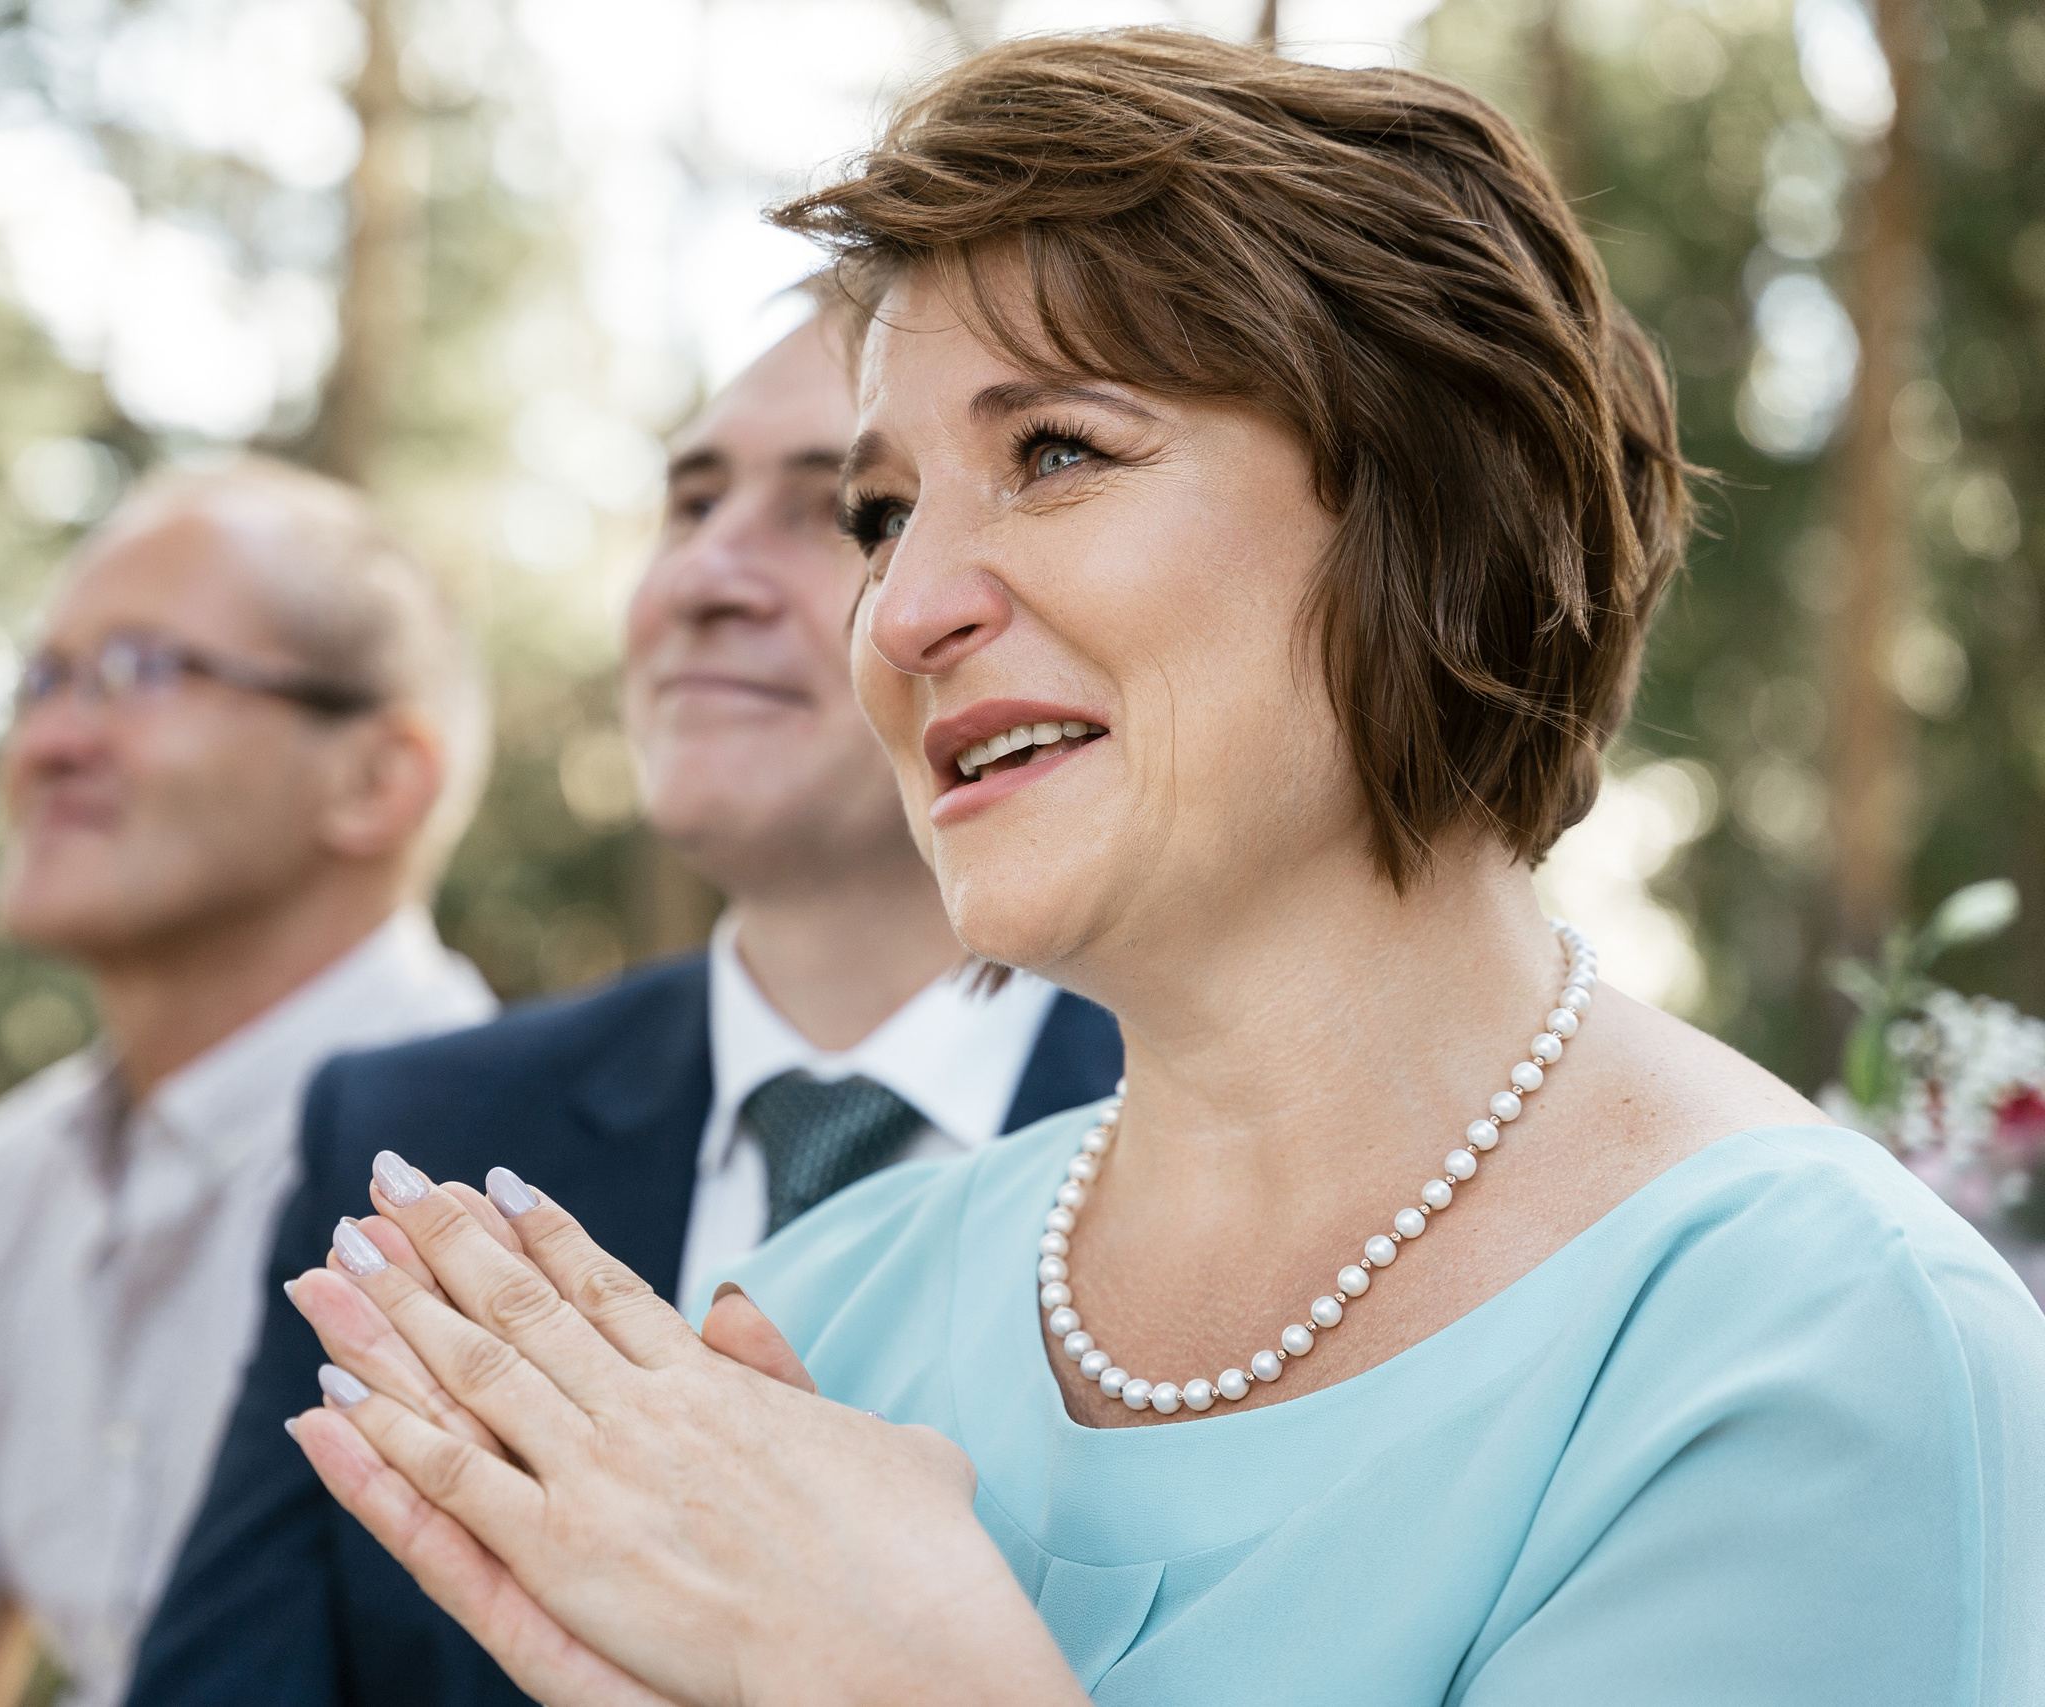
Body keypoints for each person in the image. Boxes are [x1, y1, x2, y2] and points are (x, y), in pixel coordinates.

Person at [274, 30, 2045, 1707]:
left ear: (1433, 507)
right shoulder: (822, 1307)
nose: (898, 614)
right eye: (882, 516)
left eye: (1056, 453)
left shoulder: (1806, 1345)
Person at [124, 307, 1124, 1707]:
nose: (708, 572)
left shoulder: (1213, 1137)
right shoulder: (415, 1132)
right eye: (690, 501)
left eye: (842, 507)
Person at [0, 461, 500, 1707]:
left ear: (377, 780)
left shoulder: (506, 1176)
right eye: (41, 681)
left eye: (141, 671)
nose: (49, 742)